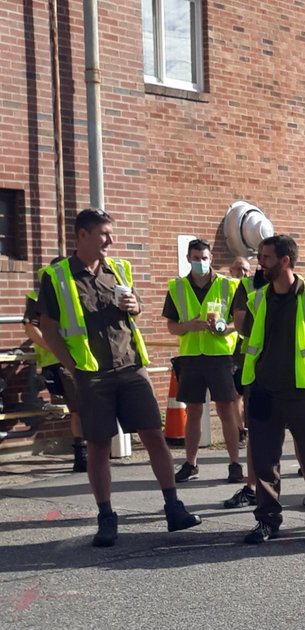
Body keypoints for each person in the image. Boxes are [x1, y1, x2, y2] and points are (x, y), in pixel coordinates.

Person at [38, 208, 202, 547]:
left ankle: (174, 507)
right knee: (99, 445)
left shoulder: (119, 268)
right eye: (104, 234)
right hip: (92, 375)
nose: (110, 240)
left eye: (110, 234)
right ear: (82, 235)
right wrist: (72, 367)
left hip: (130, 367)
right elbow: (49, 329)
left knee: (153, 435)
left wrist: (135, 305)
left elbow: (136, 307)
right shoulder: (57, 277)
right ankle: (106, 517)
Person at [238, 235, 305, 546]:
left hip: (302, 393)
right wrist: (246, 390)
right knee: (264, 462)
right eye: (260, 257)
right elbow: (249, 344)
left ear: (285, 261)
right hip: (262, 391)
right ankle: (267, 520)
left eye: (266, 258)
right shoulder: (257, 299)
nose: (260, 263)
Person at [163, 239, 244, 486]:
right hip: (191, 357)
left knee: (226, 410)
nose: (200, 262)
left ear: (211, 259)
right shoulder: (177, 287)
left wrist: (225, 328)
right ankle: (191, 463)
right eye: (196, 258)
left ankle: (234, 464)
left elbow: (240, 322)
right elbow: (172, 326)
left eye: (204, 258)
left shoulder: (229, 285)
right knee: (193, 411)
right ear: (188, 258)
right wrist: (188, 326)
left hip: (220, 356)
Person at [24, 258, 87, 473]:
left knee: (82, 408)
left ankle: (86, 453)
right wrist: (56, 348)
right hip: (58, 362)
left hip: (81, 359)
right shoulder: (37, 297)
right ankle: (81, 454)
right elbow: (31, 329)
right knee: (78, 408)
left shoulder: (75, 294)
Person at [224, 256, 260, 508]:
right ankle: (252, 487)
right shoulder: (240, 288)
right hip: (245, 361)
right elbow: (238, 323)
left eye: (246, 269)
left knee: (302, 434)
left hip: (289, 373)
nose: (244, 273)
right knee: (253, 424)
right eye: (239, 269)